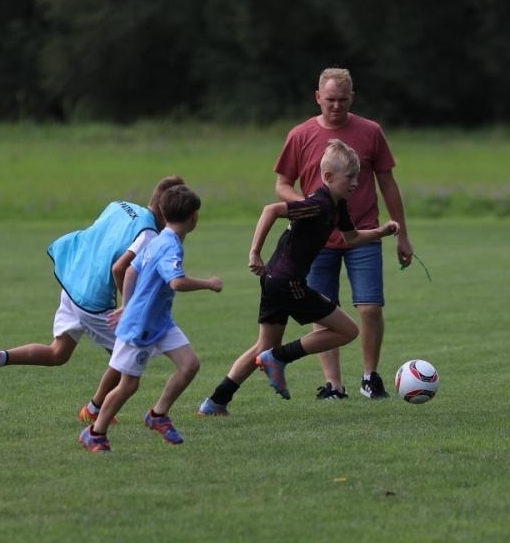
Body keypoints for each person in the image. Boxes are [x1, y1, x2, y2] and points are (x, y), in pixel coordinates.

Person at [0, 175, 186, 427]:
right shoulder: (148, 234)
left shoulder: (120, 205)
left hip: (73, 279)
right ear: (167, 213)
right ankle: (94, 410)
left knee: (58, 352)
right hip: (93, 299)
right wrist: (128, 307)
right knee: (127, 356)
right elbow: (119, 268)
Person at [198, 139, 399, 414]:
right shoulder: (318, 204)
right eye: (350, 177)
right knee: (348, 330)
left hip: (274, 280)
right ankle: (279, 358)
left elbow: (350, 237)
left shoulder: (337, 205)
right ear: (328, 176)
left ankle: (215, 402)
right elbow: (271, 210)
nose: (356, 183)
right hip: (287, 282)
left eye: (358, 177)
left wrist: (381, 232)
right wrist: (254, 252)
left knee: (263, 345)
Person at [274, 67, 414, 401]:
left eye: (342, 99)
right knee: (324, 313)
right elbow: (282, 184)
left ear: (352, 98)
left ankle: (370, 377)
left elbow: (388, 184)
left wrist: (402, 235)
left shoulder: (371, 132)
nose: (335, 105)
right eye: (330, 99)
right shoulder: (300, 135)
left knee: (370, 307)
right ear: (317, 97)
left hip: (363, 233)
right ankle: (333, 385)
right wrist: (307, 207)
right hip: (316, 239)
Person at [80, 184, 223, 452]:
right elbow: (176, 282)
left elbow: (131, 271)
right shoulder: (169, 246)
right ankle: (95, 432)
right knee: (128, 385)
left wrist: (127, 303)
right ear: (194, 217)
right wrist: (209, 283)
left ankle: (158, 415)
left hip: (160, 321)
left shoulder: (157, 238)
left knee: (190, 364)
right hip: (142, 325)